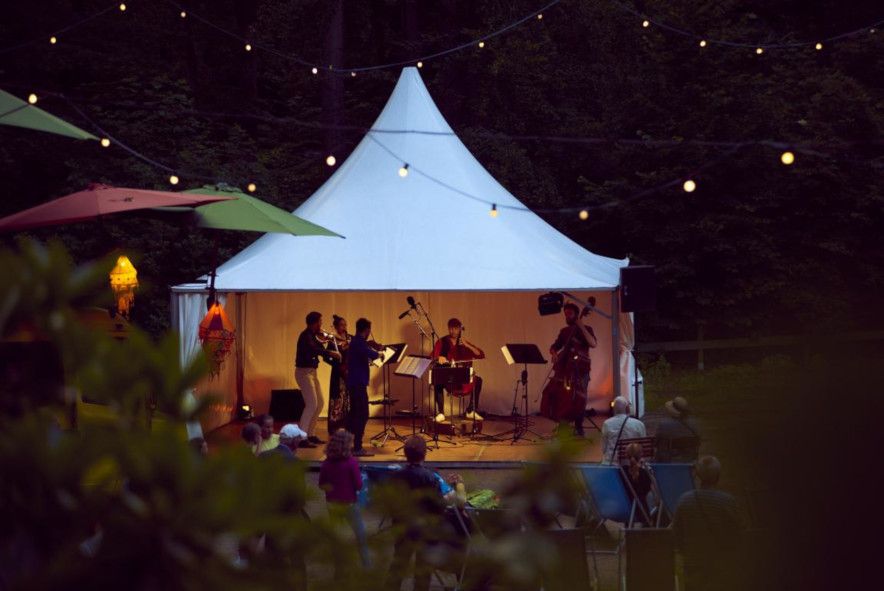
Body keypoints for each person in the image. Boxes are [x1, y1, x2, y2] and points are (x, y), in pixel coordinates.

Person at [386, 436, 449, 591]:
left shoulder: (396, 476)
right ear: (425, 453)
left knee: (399, 562)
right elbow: (437, 505)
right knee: (423, 568)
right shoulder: (431, 476)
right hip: (425, 528)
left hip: (403, 525)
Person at [672, 456, 744, 591]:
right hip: (721, 566)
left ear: (698, 476)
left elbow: (676, 535)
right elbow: (738, 533)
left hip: (693, 566)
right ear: (718, 476)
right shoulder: (728, 501)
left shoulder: (684, 500)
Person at [319, 429, 370, 568]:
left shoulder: (326, 463)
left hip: (332, 504)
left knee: (336, 536)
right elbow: (359, 485)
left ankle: (339, 566)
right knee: (360, 535)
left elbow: (321, 484)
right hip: (349, 504)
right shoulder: (351, 463)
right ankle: (367, 566)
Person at [549, 302, 597, 436]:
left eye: (569, 314)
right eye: (565, 314)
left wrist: (581, 326)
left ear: (576, 315)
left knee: (580, 398)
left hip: (581, 370)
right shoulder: (564, 332)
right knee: (564, 397)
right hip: (565, 370)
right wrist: (554, 353)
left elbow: (593, 344)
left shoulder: (586, 328)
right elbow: (554, 347)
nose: (567, 316)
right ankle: (563, 424)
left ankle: (578, 426)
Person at [295, 311, 340, 447]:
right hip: (303, 372)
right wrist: (331, 351)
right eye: (320, 321)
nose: (322, 324)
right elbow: (313, 349)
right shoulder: (306, 336)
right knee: (312, 405)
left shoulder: (315, 336)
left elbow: (323, 354)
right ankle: (301, 438)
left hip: (312, 372)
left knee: (319, 403)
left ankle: (311, 434)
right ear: (314, 323)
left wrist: (335, 354)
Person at [431, 318, 485, 422]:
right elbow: (433, 356)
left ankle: (471, 410)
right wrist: (439, 358)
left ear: (460, 329)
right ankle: (441, 412)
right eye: (450, 328)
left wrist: (467, 345)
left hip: (462, 376)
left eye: (455, 328)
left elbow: (480, 354)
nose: (453, 331)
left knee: (478, 380)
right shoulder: (442, 341)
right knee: (437, 381)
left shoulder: (463, 343)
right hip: (449, 376)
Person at [346, 318, 383, 456]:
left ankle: (347, 444)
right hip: (358, 384)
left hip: (355, 383)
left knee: (354, 414)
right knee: (362, 414)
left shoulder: (356, 342)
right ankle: (357, 447)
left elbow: (366, 351)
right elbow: (373, 355)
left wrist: (373, 347)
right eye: (369, 330)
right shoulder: (359, 343)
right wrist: (381, 352)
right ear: (367, 330)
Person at [654, 396, 701, 463]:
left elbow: (656, 442)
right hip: (690, 461)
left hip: (668, 462)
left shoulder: (664, 425)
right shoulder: (694, 424)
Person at [601, 396, 646, 463]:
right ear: (627, 409)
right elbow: (644, 446)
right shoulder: (639, 424)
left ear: (613, 409)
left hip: (612, 461)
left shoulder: (607, 424)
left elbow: (604, 449)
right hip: (633, 462)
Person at [326, 315, 351, 436]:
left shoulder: (350, 338)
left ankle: (346, 425)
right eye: (341, 325)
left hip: (349, 372)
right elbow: (326, 357)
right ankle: (335, 427)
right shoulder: (333, 340)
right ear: (336, 327)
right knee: (337, 400)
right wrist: (336, 362)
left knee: (347, 400)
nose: (344, 327)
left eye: (345, 324)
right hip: (338, 373)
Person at [621, 442, 653, 525]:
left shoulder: (622, 471)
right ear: (641, 455)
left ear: (626, 455)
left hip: (625, 507)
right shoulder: (644, 472)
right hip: (641, 509)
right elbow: (647, 489)